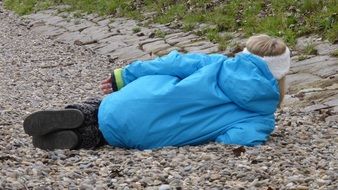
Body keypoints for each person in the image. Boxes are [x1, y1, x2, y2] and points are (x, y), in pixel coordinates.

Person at [23, 34, 290, 150]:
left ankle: (77, 113)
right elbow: (237, 139)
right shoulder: (261, 116)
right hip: (143, 134)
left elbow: (170, 62)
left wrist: (124, 75)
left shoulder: (216, 62)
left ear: (245, 54)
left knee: (110, 104)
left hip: (131, 99)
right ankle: (81, 139)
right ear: (280, 74)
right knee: (110, 135)